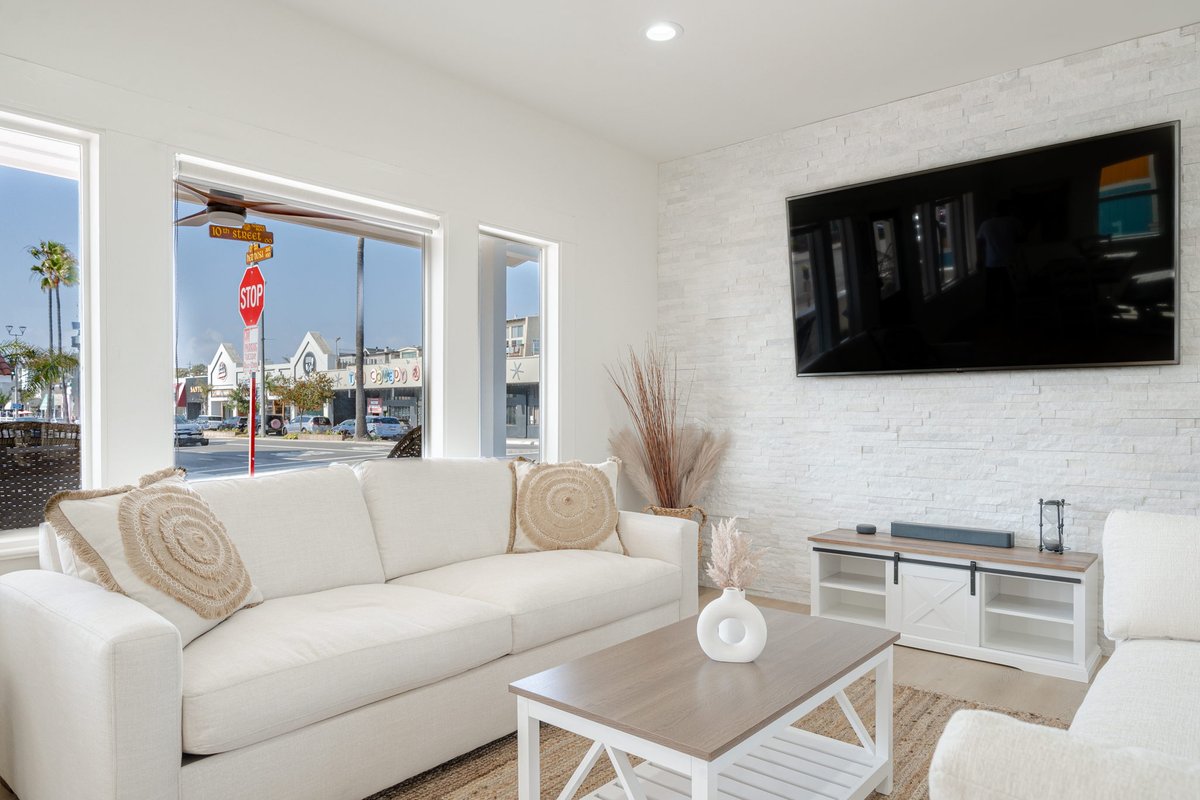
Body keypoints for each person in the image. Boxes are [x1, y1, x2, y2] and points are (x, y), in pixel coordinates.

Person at [977, 199, 1024, 320]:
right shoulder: (1013, 222)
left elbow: (980, 243)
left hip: (991, 263)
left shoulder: (985, 224)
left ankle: (991, 316)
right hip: (1010, 262)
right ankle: (1010, 315)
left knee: (991, 291)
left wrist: (980, 260)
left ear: (994, 211)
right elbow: (1021, 239)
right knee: (1009, 290)